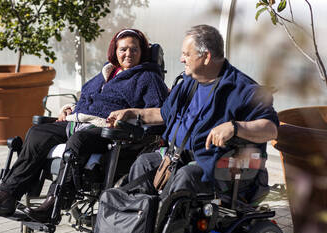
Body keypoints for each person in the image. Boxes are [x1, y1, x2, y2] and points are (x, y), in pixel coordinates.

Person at [0, 28, 169, 222]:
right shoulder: (106, 73)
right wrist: (70, 108)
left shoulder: (148, 77)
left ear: (142, 52)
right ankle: (6, 195)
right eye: (123, 49)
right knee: (37, 133)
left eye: (134, 49)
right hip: (77, 121)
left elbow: (160, 113)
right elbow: (89, 99)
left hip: (108, 131)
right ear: (115, 51)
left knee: (78, 141)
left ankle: (54, 202)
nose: (128, 53)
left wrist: (130, 120)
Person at [106, 25, 278, 198]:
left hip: (216, 166)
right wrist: (130, 113)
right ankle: (135, 217)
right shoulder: (189, 82)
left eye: (187, 54)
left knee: (185, 178)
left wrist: (235, 127)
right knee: (143, 163)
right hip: (178, 156)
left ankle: (156, 221)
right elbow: (163, 114)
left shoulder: (244, 90)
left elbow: (270, 129)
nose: (181, 59)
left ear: (206, 57)